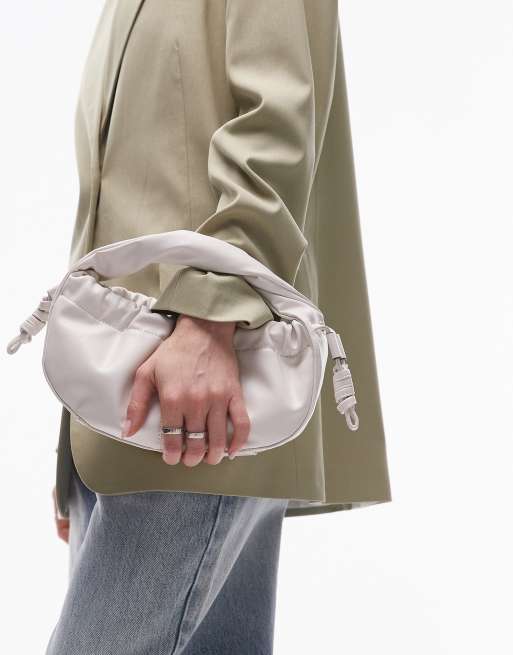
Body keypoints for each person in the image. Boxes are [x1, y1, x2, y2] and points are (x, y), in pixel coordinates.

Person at [47, 1, 391, 653]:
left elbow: (274, 127)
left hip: (195, 391)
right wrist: (74, 450)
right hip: (133, 406)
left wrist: (210, 320)